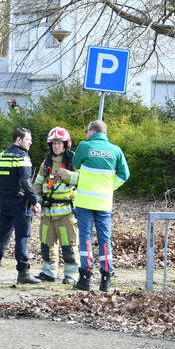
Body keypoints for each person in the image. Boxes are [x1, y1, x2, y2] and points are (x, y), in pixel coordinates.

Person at [58, 120, 129, 292]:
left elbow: (76, 163)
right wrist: (109, 187)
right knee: (105, 239)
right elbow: (124, 174)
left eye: (86, 130)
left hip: (84, 202)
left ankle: (85, 278)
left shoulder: (84, 146)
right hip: (104, 202)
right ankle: (106, 278)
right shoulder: (116, 150)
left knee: (86, 238)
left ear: (91, 131)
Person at [0, 127, 41, 284]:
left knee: (2, 236)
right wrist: (35, 201)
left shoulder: (1, 155)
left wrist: (3, 196)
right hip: (20, 204)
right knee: (22, 237)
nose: (30, 142)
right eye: (28, 139)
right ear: (19, 139)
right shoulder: (22, 157)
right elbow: (25, 182)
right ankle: (23, 273)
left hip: (5, 203)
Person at [33, 126, 78, 284]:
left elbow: (83, 179)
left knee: (69, 246)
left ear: (66, 144)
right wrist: (37, 202)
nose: (56, 146)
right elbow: (38, 184)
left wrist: (67, 175)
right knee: (46, 244)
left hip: (66, 213)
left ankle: (71, 275)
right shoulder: (46, 162)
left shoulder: (73, 160)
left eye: (59, 143)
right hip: (47, 212)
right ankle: (48, 273)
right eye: (53, 143)